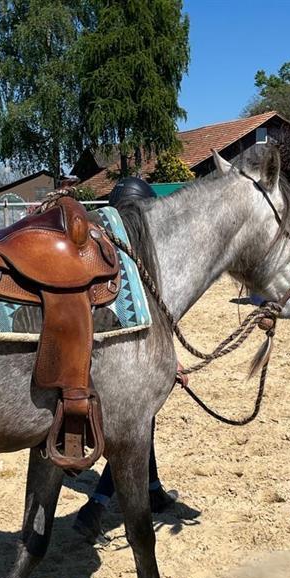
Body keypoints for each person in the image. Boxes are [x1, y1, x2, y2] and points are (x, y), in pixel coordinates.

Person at [74, 176, 182, 542]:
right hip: (112, 368)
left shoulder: (104, 257)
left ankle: (152, 488)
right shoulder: (128, 267)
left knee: (144, 420)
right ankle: (98, 504)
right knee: (135, 428)